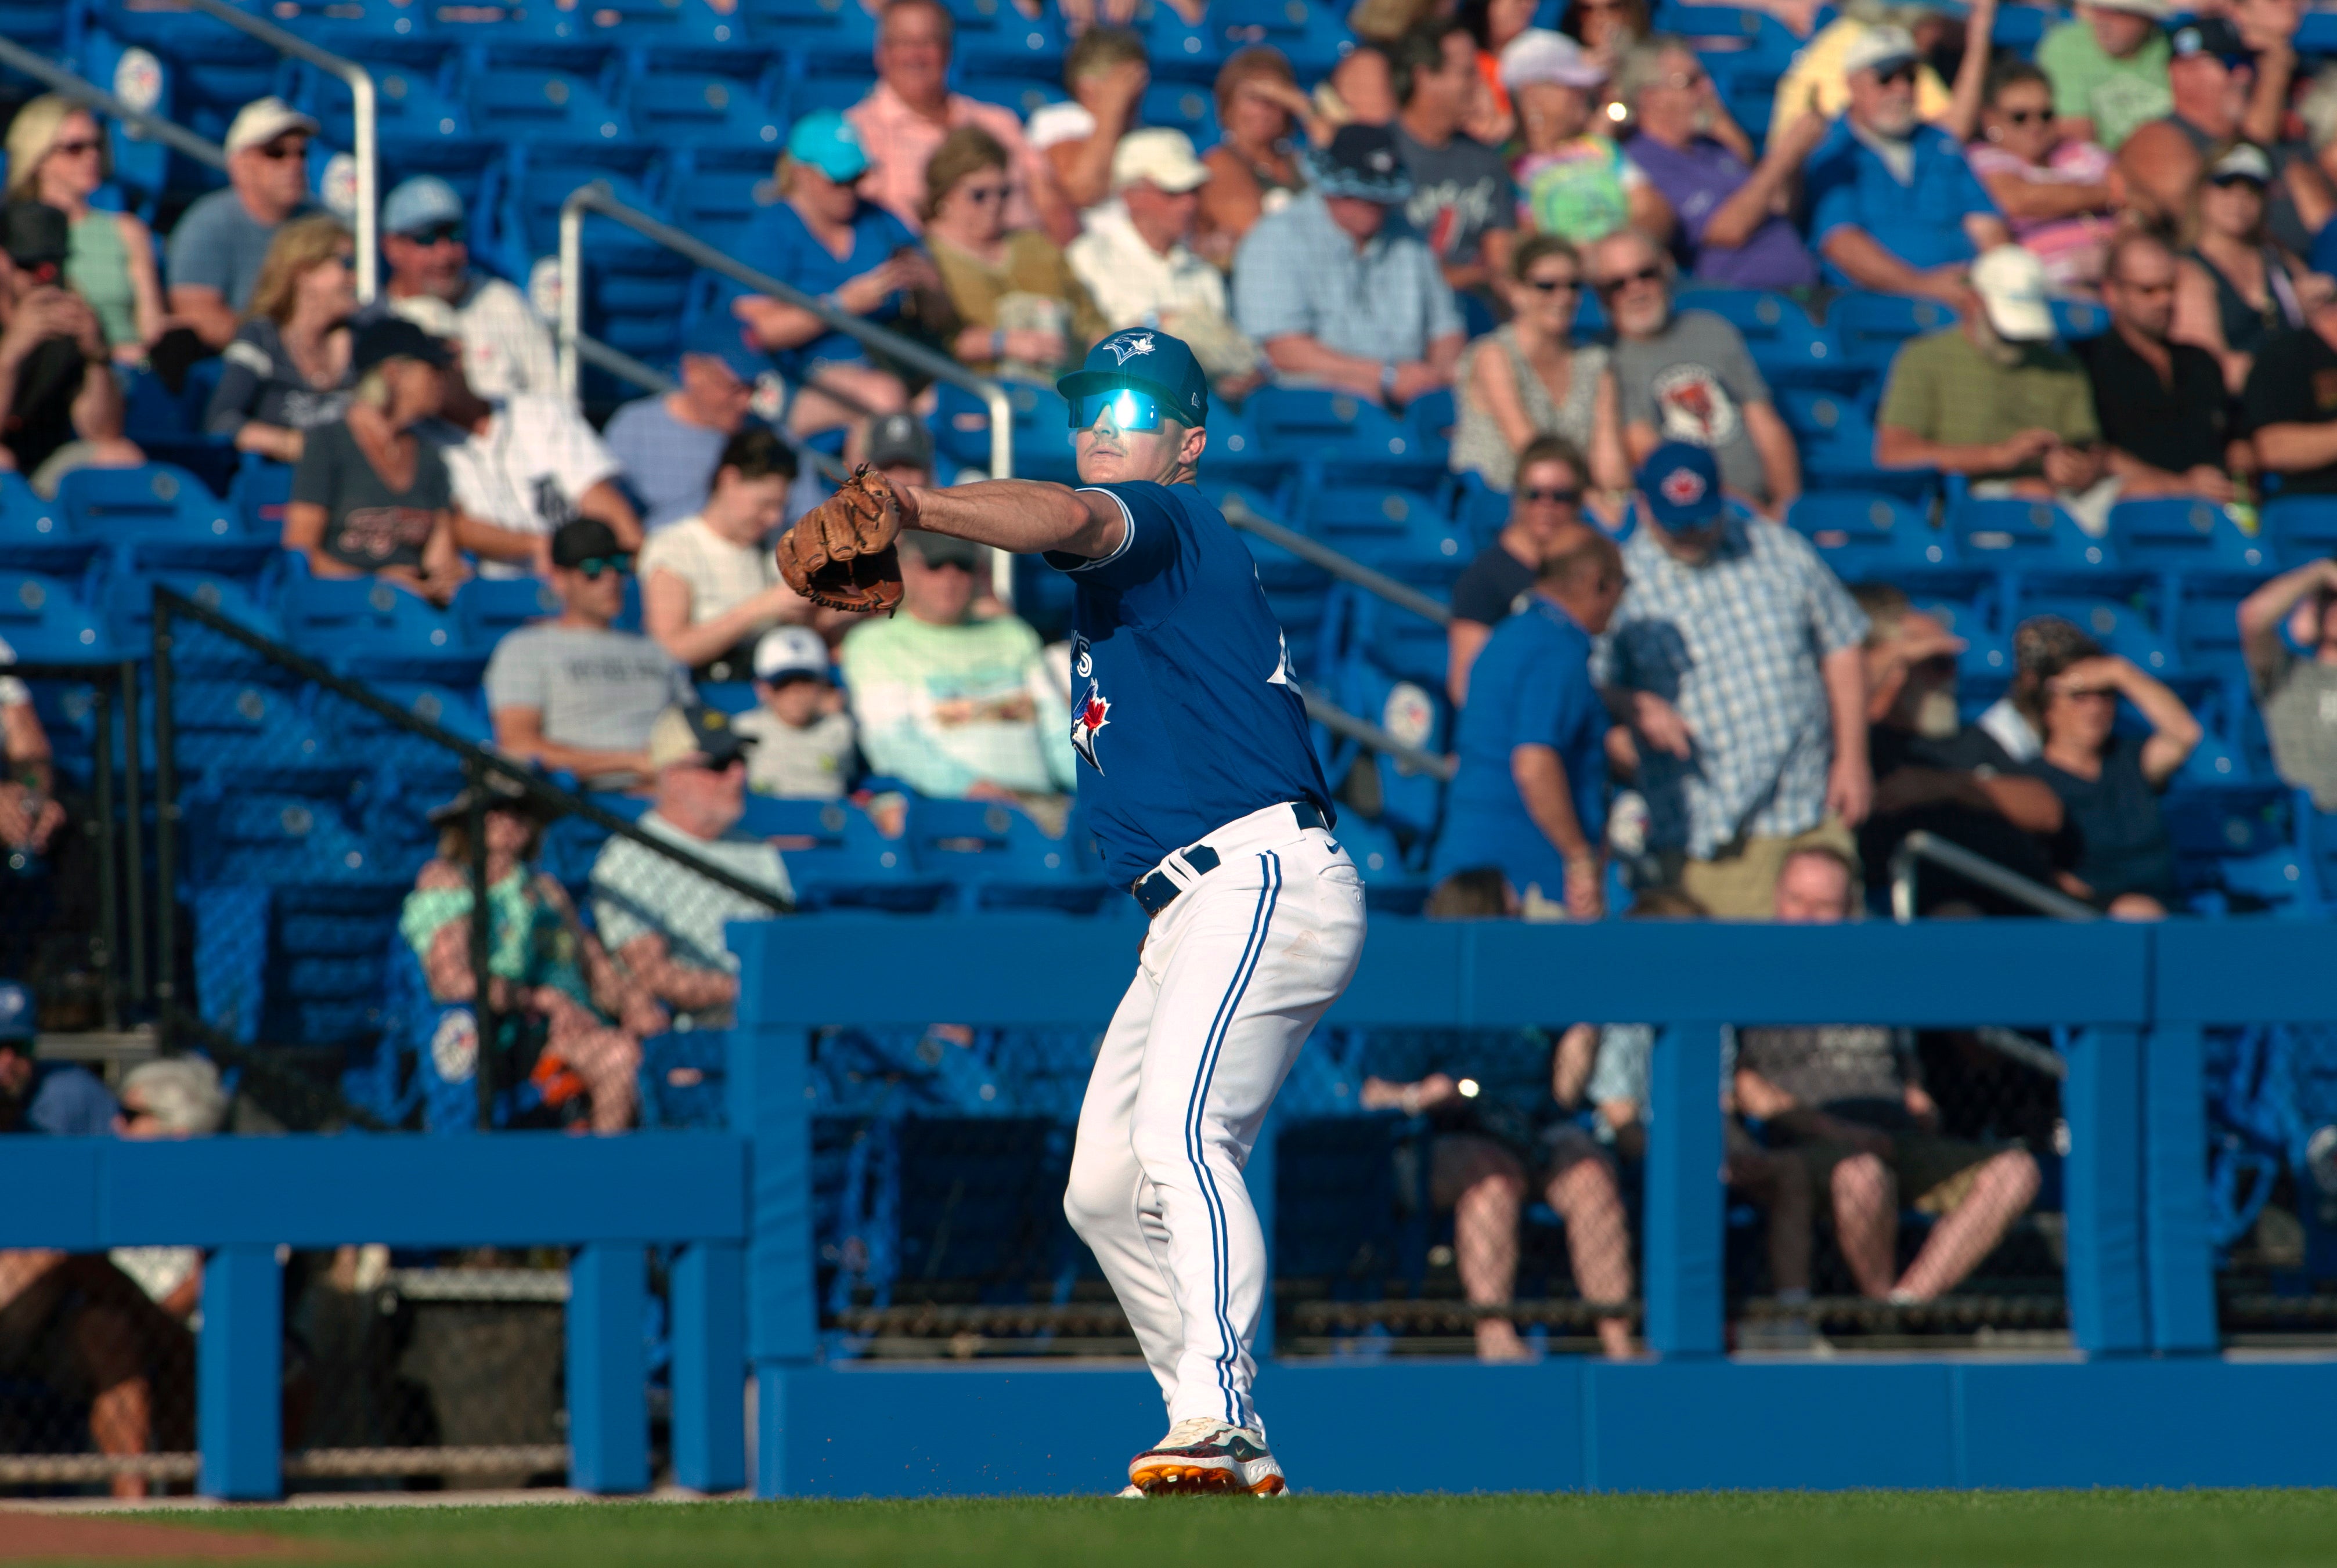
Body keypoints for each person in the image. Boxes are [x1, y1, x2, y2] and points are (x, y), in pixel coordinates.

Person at [776, 326, 1364, 1494]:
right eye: (1091, 406)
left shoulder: (1174, 522)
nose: (1105, 426)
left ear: (1188, 443)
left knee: (1185, 1140)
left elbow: (1078, 515)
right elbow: (1056, 507)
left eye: (1133, 409)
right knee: (1101, 1184)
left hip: (1257, 876)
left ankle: (1224, 1416)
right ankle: (1198, 1419)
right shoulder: (1128, 561)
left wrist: (920, 501)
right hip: (1192, 904)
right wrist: (920, 501)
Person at [1734, 846, 2044, 1303]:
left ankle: (1908, 1303)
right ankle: (1880, 1307)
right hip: (1815, 1149)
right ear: (1776, 899)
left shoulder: (1875, 970)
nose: (1806, 919)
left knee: (2017, 1172)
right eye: (1796, 901)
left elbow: (1903, 1057)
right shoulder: (1751, 976)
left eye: (1823, 908)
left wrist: (1918, 1095)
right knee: (1862, 1175)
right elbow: (1745, 1089)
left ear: (1851, 911)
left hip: (1898, 1138)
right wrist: (1839, 1132)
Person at [1597, 443, 1871, 917]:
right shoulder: (1621, 580)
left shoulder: (1776, 548)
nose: (1689, 533)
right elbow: (1595, 683)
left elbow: (1843, 643)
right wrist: (1634, 704)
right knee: (1736, 979)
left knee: (1835, 972)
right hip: (1712, 833)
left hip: (1806, 804)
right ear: (1642, 507)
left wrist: (1852, 757)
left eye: (1701, 518)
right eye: (1674, 521)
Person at [1357, 1016, 1637, 1360]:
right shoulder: (1421, 997)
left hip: (1533, 1130)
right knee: (1493, 1180)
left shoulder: (1536, 985)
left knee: (1590, 1173)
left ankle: (1619, 1340)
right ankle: (1496, 1336)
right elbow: (1372, 1095)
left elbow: (1564, 1097)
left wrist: (1581, 1038)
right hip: (1439, 1138)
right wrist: (1419, 1095)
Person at [401, 776, 660, 1131]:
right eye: (495, 812)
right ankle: (604, 1168)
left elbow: (596, 969)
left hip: (579, 1024)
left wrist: (634, 1004)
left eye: (520, 813)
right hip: (511, 1032)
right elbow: (452, 980)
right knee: (618, 1056)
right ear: (468, 823)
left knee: (665, 1050)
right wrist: (543, 1001)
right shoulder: (448, 881)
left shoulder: (549, 892)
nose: (510, 821)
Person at [1432, 530, 1627, 916]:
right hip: (1523, 882)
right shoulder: (1555, 649)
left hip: (1468, 871)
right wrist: (1578, 859)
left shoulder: (1509, 635)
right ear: (1597, 584)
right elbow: (1534, 763)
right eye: (1623, 585)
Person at [1855, 587, 2065, 913]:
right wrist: (1893, 660)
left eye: (1953, 663)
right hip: (1939, 910)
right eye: (1936, 663)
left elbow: (2047, 810)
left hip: (2022, 900)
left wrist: (1944, 786)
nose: (1950, 675)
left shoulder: (1972, 738)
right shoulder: (1865, 742)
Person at [841, 530, 1075, 819]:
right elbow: (891, 743)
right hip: (943, 809)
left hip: (1039, 806)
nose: (950, 581)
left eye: (962, 567)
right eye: (936, 566)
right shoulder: (875, 643)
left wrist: (1098, 784)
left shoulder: (1014, 635)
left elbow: (1058, 732)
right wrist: (970, 787)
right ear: (908, 570)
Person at [589, 703, 794, 1032]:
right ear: (673, 775)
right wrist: (752, 989)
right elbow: (654, 975)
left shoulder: (757, 848)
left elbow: (785, 945)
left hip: (776, 1008)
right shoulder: (631, 857)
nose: (739, 775)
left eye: (741, 761)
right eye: (720, 764)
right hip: (698, 1025)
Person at [727, 112, 926, 447]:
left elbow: (928, 281)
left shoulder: (878, 220)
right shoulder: (771, 232)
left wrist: (922, 282)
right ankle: (877, 501)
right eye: (838, 179)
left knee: (950, 402)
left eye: (857, 176)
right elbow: (756, 332)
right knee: (884, 398)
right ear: (801, 174)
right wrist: (841, 305)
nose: (850, 189)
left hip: (887, 360)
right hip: (797, 378)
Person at [1232, 123, 1465, 409]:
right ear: (1329, 185)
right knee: (1362, 394)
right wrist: (1386, 376)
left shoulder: (1410, 238)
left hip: (1409, 391)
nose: (1371, 204)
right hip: (1307, 397)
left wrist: (1437, 376)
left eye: (1381, 196)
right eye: (1356, 193)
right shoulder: (1275, 239)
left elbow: (1446, 330)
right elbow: (1284, 350)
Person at [1874, 245, 2110, 524]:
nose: (2017, 342)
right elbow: (1894, 454)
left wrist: (2078, 470)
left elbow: (2090, 448)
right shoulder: (1924, 358)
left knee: (2142, 498)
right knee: (2033, 497)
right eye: (2007, 329)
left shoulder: (2062, 364)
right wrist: (1997, 456)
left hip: (2062, 499)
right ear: (1974, 301)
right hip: (1970, 504)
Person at [1592, 227, 1798, 515]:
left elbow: (1765, 424)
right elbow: (1649, 451)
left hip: (1761, 512)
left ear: (1666, 270)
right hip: (1688, 514)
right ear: (1602, 296)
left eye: (1645, 274)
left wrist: (1789, 509)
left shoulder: (1714, 330)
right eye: (1618, 284)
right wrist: (1740, 508)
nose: (1635, 289)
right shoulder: (1607, 360)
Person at [419, 319, 643, 576]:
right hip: (494, 594)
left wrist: (633, 565)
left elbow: (608, 509)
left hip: (576, 586)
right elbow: (452, 523)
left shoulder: (540, 412)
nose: (428, 376)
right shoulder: (412, 440)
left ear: (458, 352)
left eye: (437, 360)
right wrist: (539, 545)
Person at [1803, 26, 2011, 300]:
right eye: (1886, 78)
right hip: (1875, 309)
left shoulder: (1941, 144)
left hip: (1968, 299)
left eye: (1911, 77)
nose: (1902, 90)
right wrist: (1922, 287)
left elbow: (1987, 228)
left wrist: (1998, 281)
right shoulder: (1833, 151)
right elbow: (1842, 244)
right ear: (1853, 84)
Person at [484, 518, 688, 790]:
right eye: (593, 570)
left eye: (618, 565)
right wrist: (629, 763)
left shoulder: (655, 651)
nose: (611, 579)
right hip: (581, 801)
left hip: (673, 794)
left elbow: (693, 728)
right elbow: (518, 747)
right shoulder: (525, 648)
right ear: (558, 579)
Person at [846, 0, 1074, 244]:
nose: (916, 55)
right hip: (938, 270)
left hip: (1029, 264)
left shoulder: (999, 123)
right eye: (904, 42)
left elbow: (1053, 208)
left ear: (948, 51)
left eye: (928, 42)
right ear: (882, 54)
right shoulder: (858, 132)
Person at [1067, 131, 1267, 400]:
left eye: (1194, 191)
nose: (1189, 204)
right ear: (1130, 195)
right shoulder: (1087, 258)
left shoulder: (1204, 273)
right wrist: (1155, 325)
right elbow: (1078, 353)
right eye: (1173, 192)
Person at [282, 317, 468, 605]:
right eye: (432, 369)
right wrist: (375, 585)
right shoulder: (328, 444)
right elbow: (300, 552)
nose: (442, 380)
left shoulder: (429, 456)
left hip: (413, 614)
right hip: (341, 609)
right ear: (394, 373)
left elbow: (440, 554)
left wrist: (449, 578)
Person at [2018, 627, 2201, 916]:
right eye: (2080, 695)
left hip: (2163, 910)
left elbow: (2185, 734)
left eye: (2106, 694)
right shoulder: (2030, 782)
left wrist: (2122, 673)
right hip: (2084, 921)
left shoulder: (2130, 760)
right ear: (2047, 707)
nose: (2096, 707)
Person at [1618, 37, 1822, 290]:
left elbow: (1777, 207)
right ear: (1651, 98)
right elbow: (1728, 230)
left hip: (1803, 288)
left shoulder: (1711, 148)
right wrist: (1783, 156)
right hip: (1745, 302)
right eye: (1690, 82)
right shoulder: (1642, 161)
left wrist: (1796, 158)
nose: (1708, 88)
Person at [923, 128, 1108, 381]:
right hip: (977, 393)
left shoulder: (1036, 246)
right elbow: (932, 341)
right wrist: (1001, 343)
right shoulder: (925, 257)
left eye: (1004, 193)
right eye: (979, 195)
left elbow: (1090, 322)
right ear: (944, 194)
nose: (994, 205)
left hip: (1063, 388)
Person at [357, 176, 560, 404]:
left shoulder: (502, 303)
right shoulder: (374, 323)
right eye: (427, 238)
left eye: (454, 234)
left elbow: (553, 400)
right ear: (392, 247)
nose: (445, 254)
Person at [1451, 236, 1626, 497]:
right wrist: (1590, 502)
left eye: (1574, 286)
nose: (1564, 297)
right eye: (1547, 286)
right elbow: (1533, 454)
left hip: (1570, 504)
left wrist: (1616, 499)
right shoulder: (1494, 355)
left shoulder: (1595, 362)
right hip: (1499, 503)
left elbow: (1610, 464)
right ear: (1516, 291)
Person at [639, 425, 813, 682]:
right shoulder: (674, 547)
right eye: (765, 504)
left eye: (781, 507)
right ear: (729, 480)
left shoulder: (779, 545)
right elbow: (669, 650)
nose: (775, 519)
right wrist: (759, 609)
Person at [2, 97, 168, 363]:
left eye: (97, 145)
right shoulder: (12, 234)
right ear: (39, 157)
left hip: (126, 375)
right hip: (47, 372)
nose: (92, 156)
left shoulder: (127, 230)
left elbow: (153, 330)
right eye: (75, 148)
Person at [2076, 231, 2237, 500]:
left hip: (2213, 506)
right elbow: (2097, 454)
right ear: (2112, 292)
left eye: (2170, 287)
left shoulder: (2200, 363)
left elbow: (2232, 441)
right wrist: (2182, 487)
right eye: (2148, 290)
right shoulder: (2087, 361)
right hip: (2125, 505)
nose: (2165, 301)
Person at [0, 202, 139, 489]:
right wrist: (11, 354)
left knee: (120, 458)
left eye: (54, 267)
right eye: (32, 267)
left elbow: (103, 432)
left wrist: (97, 357)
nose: (45, 280)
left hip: (42, 464)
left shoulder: (68, 322)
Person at [1447, 436, 1595, 703]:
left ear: (1580, 502)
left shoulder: (1590, 573)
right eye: (1534, 494)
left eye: (1561, 496)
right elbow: (1465, 687)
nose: (1546, 506)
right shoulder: (1484, 579)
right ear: (1516, 497)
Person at [164, 97, 318, 349]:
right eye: (276, 153)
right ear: (240, 164)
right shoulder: (208, 223)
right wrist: (284, 353)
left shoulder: (316, 224)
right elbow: (199, 315)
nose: (295, 164)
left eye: (302, 153)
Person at [202, 214, 354, 463]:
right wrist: (292, 444)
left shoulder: (362, 342)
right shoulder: (261, 338)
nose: (355, 277)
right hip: (281, 486)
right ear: (305, 272)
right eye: (346, 264)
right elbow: (222, 421)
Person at [1501, 29, 1668, 250]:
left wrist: (1618, 255)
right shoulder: (1509, 166)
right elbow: (1527, 240)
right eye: (1571, 85)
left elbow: (1653, 212)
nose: (1583, 93)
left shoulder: (1600, 148)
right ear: (1531, 93)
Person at [1388, 18, 1518, 295]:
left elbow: (1502, 262)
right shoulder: (1380, 154)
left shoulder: (1485, 161)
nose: (1479, 83)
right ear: (1424, 77)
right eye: (1468, 72)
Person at [1966, 61, 2122, 291]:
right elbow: (2018, 200)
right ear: (1990, 119)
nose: (2036, 125)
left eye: (2046, 115)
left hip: (2118, 266)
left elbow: (2138, 193)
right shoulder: (1982, 159)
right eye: (2020, 117)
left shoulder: (2081, 151)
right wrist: (2112, 193)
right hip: (2050, 283)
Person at [603, 316, 767, 532]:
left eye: (753, 387)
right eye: (734, 388)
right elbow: (610, 521)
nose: (746, 402)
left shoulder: (767, 436)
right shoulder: (635, 429)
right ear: (692, 371)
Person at [2174, 143, 2311, 396]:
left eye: (2253, 189)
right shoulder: (2189, 270)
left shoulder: (2279, 260)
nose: (2240, 199)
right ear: (2202, 191)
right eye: (2226, 185)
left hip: (2297, 397)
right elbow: (2210, 366)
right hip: (2243, 406)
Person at [1195, 48, 1322, 270]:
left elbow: (1348, 167)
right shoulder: (1219, 165)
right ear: (1229, 106)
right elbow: (1253, 234)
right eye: (1253, 98)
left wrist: (1301, 105)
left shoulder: (1298, 160)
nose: (1264, 110)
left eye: (1274, 99)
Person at [2240, 555, 2337, 808]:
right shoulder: (2289, 672)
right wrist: (2323, 571)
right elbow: (2253, 617)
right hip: (2309, 823)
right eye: (2330, 598)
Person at [1028, 26, 1152, 217]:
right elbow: (1082, 192)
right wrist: (1112, 111)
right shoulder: (1058, 120)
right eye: (1126, 82)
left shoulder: (1141, 133)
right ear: (1087, 89)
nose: (1137, 93)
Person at [735, 626, 857, 800]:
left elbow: (852, 781)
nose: (795, 693)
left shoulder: (840, 729)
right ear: (763, 689)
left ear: (823, 686)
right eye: (783, 683)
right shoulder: (743, 730)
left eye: (806, 682)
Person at [2037, 0, 2174, 153]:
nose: (2104, 20)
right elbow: (2076, 139)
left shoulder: (2175, 48)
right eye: (2099, 9)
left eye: (2119, 12)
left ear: (2148, 18)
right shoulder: (2066, 47)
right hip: (2103, 169)